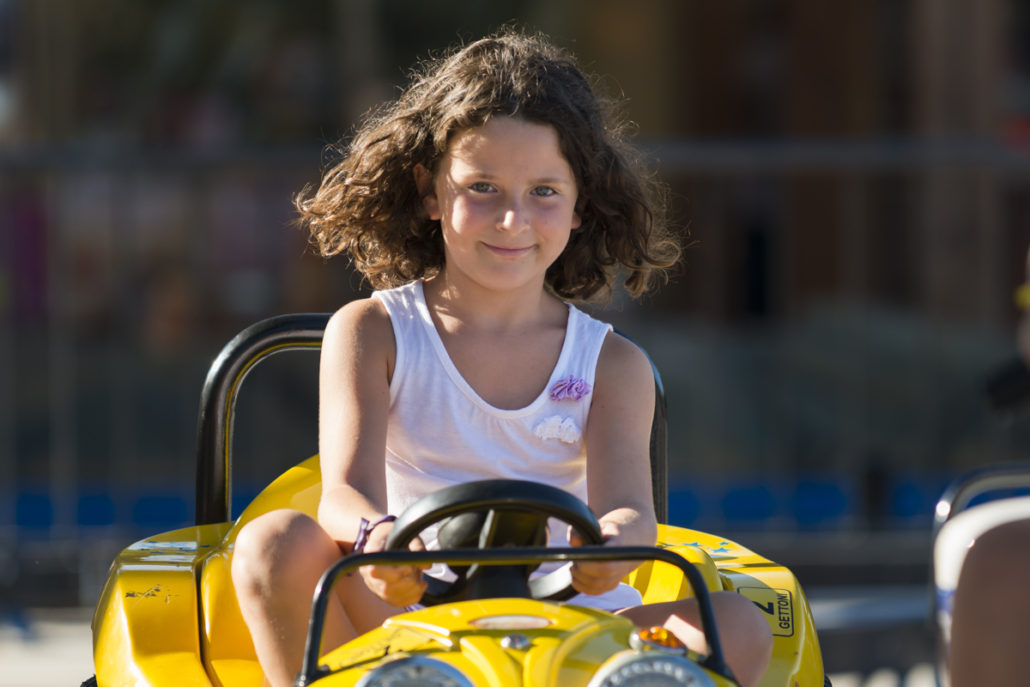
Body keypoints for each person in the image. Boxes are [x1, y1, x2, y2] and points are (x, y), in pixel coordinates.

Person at [231, 30, 773, 687]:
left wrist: (609, 547)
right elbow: (345, 491)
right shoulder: (373, 331)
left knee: (740, 624)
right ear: (430, 192)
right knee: (272, 543)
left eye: (543, 191)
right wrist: (380, 539)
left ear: (580, 204)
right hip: (411, 616)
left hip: (574, 626)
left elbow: (632, 509)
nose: (513, 220)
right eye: (483, 187)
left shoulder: (612, 364)